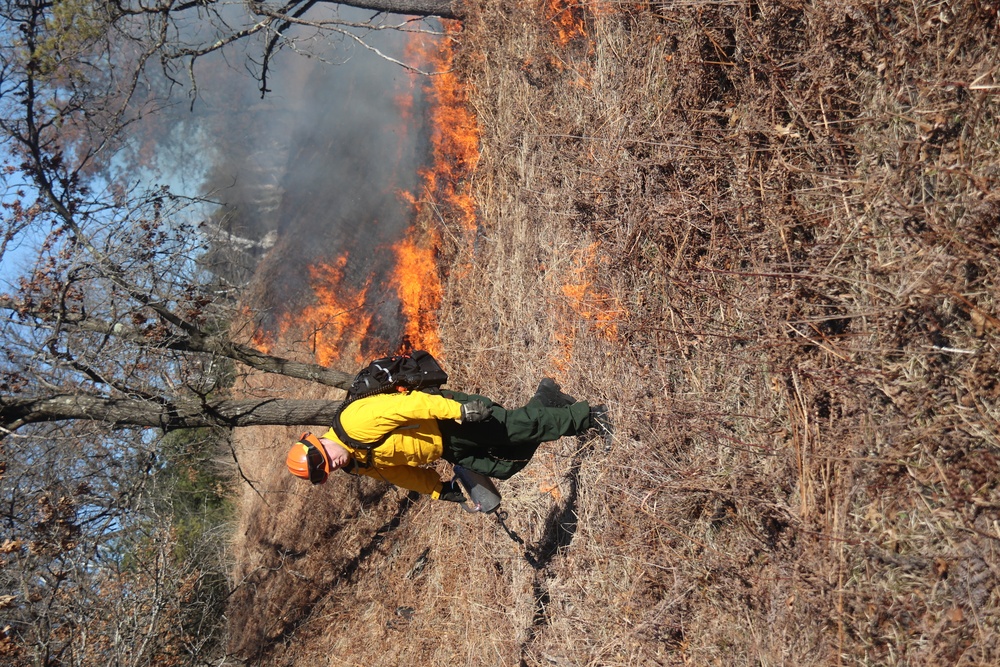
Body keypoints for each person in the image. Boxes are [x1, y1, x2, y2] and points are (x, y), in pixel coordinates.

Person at [285, 379, 611, 502]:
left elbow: (412, 405)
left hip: (450, 419)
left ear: (319, 442)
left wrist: (459, 410)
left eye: (329, 459)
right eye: (330, 469)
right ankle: (547, 399)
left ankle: (592, 417)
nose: (335, 464)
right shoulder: (356, 465)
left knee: (515, 428)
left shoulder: (353, 422)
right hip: (448, 448)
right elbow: (400, 474)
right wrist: (438, 489)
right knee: (504, 467)